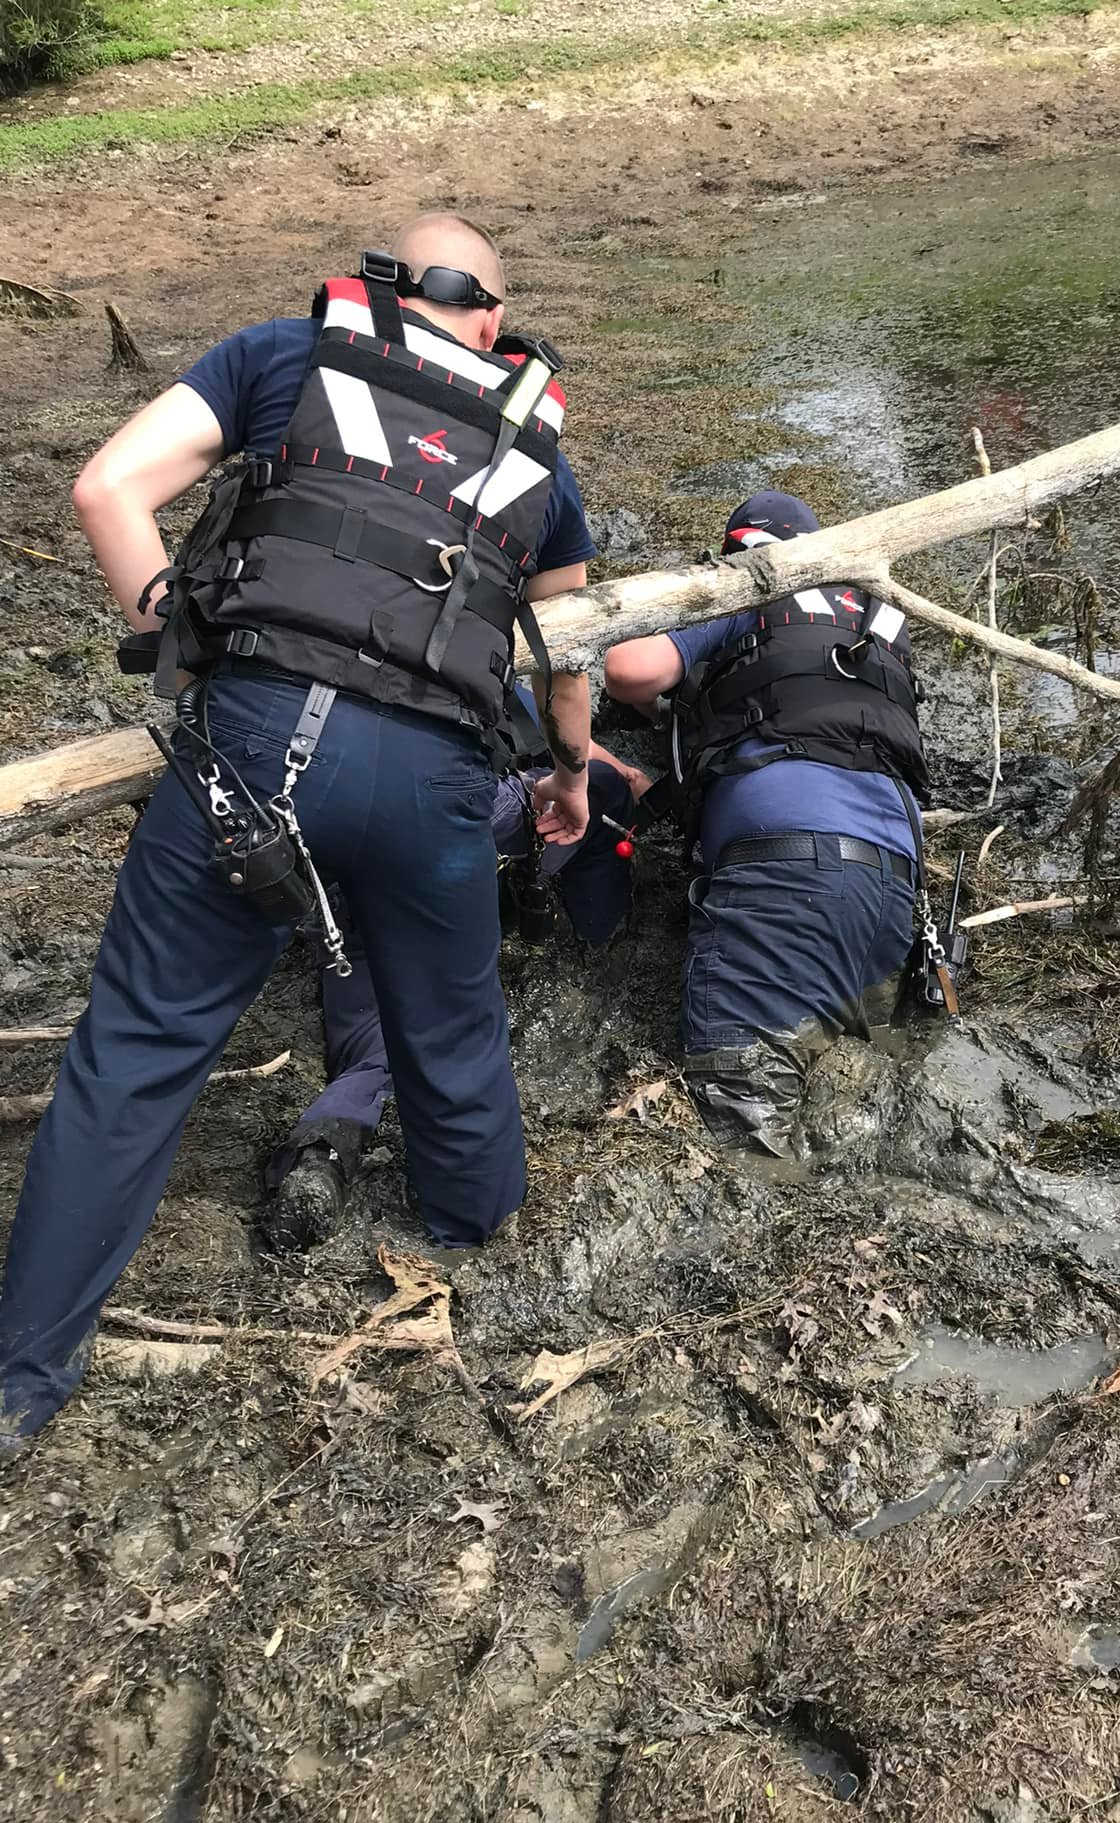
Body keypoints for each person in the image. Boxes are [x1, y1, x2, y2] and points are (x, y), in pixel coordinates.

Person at [0, 213, 594, 1452]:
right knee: (452, 1020)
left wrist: (175, 621)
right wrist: (573, 772)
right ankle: (468, 1227)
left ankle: (21, 1384)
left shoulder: (282, 354)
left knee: (138, 1047)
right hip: (433, 774)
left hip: (251, 742)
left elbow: (106, 485)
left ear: (385, 288)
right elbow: (573, 649)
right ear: (491, 320)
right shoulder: (537, 444)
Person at [603, 491, 928, 1153]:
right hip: (895, 895)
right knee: (862, 1127)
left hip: (787, 882)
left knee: (745, 1141)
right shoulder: (881, 621)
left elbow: (628, 669)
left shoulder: (751, 583)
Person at [267, 710, 646, 1249]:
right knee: (599, 790)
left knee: (374, 1042)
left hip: (321, 853)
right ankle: (595, 931)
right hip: (449, 828)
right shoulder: (465, 647)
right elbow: (566, 736)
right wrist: (618, 774)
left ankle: (324, 1148)